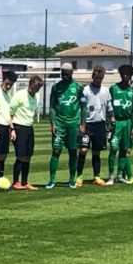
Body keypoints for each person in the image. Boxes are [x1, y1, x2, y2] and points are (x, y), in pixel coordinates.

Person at [47, 62, 86, 190]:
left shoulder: (78, 87)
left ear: (71, 73)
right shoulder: (56, 87)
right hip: (59, 124)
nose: (65, 77)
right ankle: (52, 180)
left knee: (73, 151)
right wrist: (53, 123)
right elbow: (52, 107)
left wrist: (83, 124)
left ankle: (71, 179)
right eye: (63, 74)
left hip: (73, 124)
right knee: (56, 150)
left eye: (67, 74)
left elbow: (83, 107)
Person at [77, 66, 113, 186]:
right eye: (97, 78)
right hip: (87, 124)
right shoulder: (85, 90)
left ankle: (97, 177)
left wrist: (112, 118)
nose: (98, 80)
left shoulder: (105, 91)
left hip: (100, 124)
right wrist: (81, 124)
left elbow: (109, 107)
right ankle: (79, 177)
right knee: (83, 150)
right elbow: (81, 107)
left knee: (96, 152)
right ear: (92, 76)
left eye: (100, 78)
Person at [9, 75, 42, 190]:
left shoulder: (37, 96)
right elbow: (10, 113)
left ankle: (25, 182)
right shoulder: (19, 95)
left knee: (28, 156)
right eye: (34, 87)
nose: (35, 90)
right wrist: (12, 129)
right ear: (30, 84)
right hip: (18, 126)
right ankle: (15, 182)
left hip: (29, 126)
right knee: (21, 155)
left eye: (38, 88)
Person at [107, 65, 133, 185]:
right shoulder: (113, 89)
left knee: (124, 150)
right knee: (113, 149)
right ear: (120, 74)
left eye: (127, 73)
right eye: (123, 73)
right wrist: (109, 123)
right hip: (116, 123)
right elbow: (108, 107)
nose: (125, 75)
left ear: (130, 75)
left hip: (127, 123)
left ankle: (120, 176)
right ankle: (111, 177)